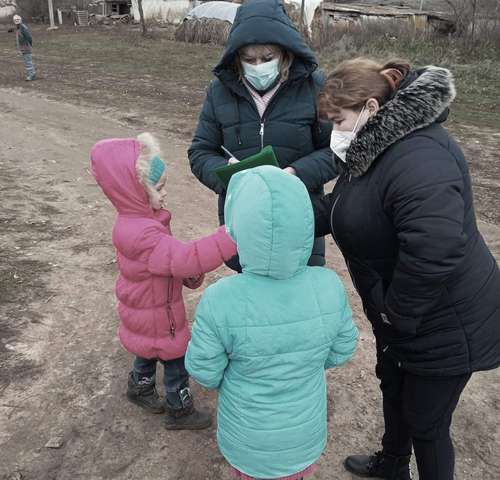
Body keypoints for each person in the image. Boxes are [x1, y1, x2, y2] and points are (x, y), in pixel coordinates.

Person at [315, 58, 500, 480]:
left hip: (446, 321)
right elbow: (346, 205)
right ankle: (393, 463)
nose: (334, 131)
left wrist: (394, 312)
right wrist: (288, 212)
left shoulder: (418, 156)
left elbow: (435, 248)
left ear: (370, 108)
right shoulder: (374, 146)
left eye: (338, 120)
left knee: (427, 422)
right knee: (394, 386)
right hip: (404, 316)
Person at [186, 166, 358, 480]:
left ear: (237, 225)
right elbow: (342, 349)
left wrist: (240, 379)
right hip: (303, 439)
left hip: (247, 442)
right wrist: (304, 363)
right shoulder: (329, 285)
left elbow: (204, 370)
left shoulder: (220, 298)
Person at [90, 132, 237, 430]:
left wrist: (184, 274)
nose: (165, 194)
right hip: (158, 314)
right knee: (175, 359)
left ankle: (140, 386)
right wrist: (230, 236)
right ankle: (179, 409)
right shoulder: (144, 233)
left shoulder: (134, 222)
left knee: (146, 350)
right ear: (135, 192)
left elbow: (168, 262)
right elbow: (185, 258)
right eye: (158, 189)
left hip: (145, 308)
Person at [188, 0, 336, 272]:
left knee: (301, 290)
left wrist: (295, 173)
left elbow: (336, 150)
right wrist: (231, 176)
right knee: (251, 291)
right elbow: (200, 152)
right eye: (249, 59)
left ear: (285, 52)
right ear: (236, 57)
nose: (258, 66)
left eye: (268, 58)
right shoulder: (219, 92)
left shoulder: (314, 87)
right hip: (244, 221)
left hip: (299, 219)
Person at [12, 14, 36, 81]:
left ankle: (31, 75)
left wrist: (29, 45)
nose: (16, 21)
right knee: (27, 61)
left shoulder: (23, 27)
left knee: (28, 62)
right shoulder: (18, 27)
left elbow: (29, 37)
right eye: (15, 20)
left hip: (26, 47)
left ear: (20, 20)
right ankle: (31, 74)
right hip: (22, 47)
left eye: (17, 20)